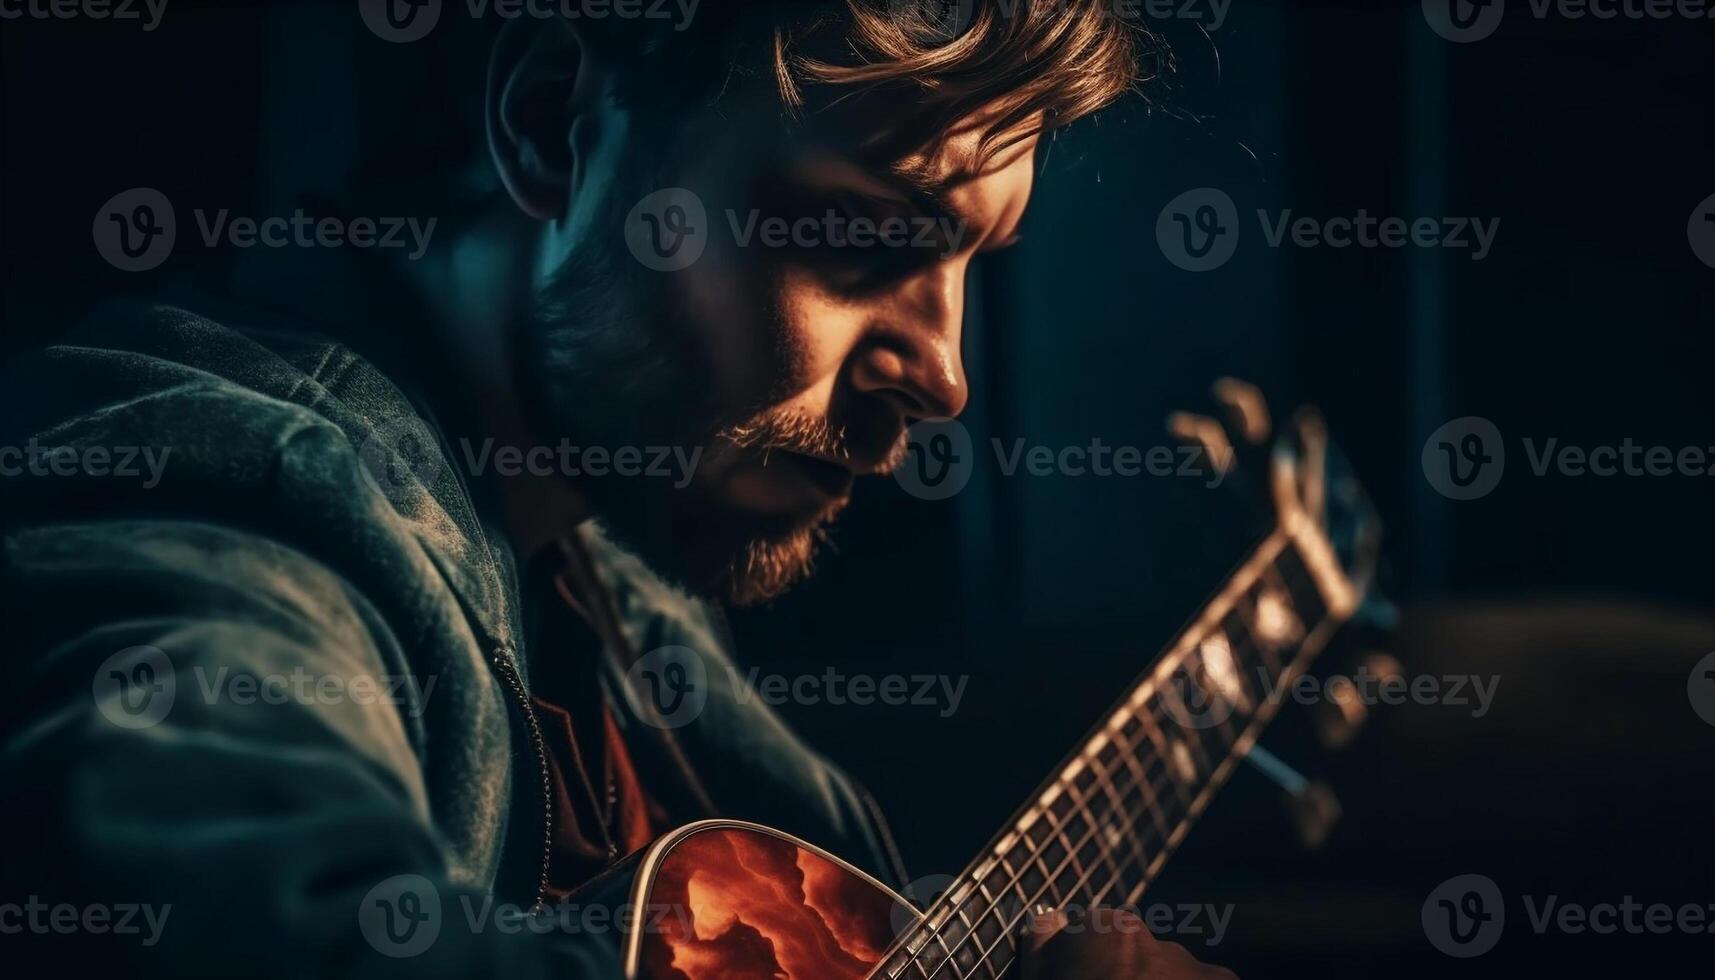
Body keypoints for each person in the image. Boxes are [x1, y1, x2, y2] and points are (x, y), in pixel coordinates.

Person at [0, 2, 1234, 976]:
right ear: (552, 123)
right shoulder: (225, 474)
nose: (945, 374)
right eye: (860, 232)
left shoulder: (614, 536)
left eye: (970, 256)